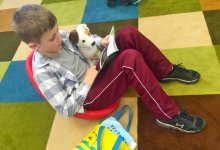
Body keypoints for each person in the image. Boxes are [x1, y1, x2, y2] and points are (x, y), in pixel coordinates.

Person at [12, 4, 206, 133]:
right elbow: (65, 108)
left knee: (128, 32)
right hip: (88, 95)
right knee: (130, 59)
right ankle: (168, 115)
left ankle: (165, 70)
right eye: (52, 38)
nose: (60, 38)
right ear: (34, 46)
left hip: (96, 70)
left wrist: (100, 42)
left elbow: (83, 40)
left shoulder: (59, 36)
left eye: (57, 31)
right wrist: (87, 80)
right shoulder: (42, 71)